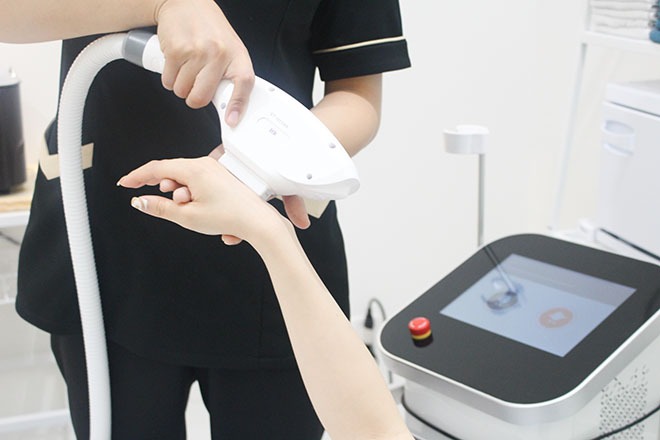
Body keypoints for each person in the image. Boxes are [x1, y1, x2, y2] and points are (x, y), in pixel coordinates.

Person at [2, 0, 410, 438]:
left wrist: (267, 164)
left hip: (264, 262)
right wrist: (163, 5)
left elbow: (357, 95)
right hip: (105, 248)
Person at [118, 156, 415, 440]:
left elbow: (378, 434)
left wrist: (263, 216)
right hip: (129, 279)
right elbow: (379, 433)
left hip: (268, 309)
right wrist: (268, 229)